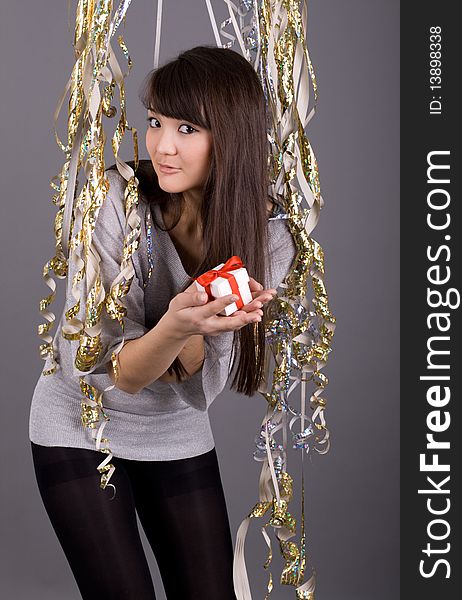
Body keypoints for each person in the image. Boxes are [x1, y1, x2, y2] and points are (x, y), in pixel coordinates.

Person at [29, 45, 297, 599]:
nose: (162, 145)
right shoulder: (118, 200)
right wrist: (180, 323)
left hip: (174, 427)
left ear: (231, 139)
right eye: (154, 122)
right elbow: (117, 372)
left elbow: (194, 383)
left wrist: (195, 333)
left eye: (187, 128)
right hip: (82, 422)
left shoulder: (268, 236)